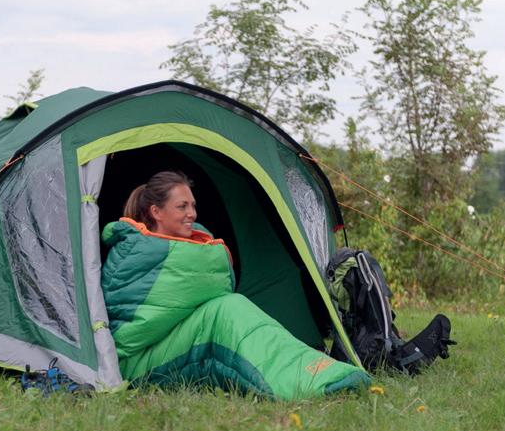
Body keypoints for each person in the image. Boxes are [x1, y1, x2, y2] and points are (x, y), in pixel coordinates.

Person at [100, 171, 370, 400]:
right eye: (182, 206)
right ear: (156, 212)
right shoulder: (133, 252)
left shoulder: (186, 246)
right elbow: (130, 331)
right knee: (226, 311)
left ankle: (315, 371)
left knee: (229, 309)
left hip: (171, 344)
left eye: (193, 205)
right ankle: (308, 381)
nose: (192, 213)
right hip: (136, 366)